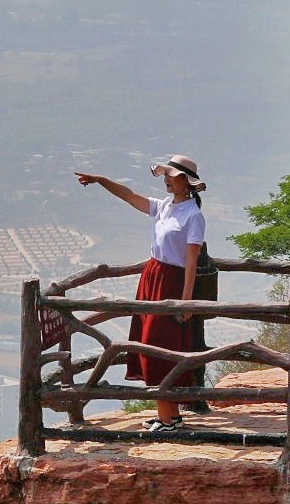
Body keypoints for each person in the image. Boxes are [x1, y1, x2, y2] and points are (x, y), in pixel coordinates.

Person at [74, 154, 216, 431]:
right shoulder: (164, 207)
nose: (167, 179)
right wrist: (101, 180)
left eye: (172, 176)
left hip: (171, 283)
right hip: (152, 278)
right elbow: (129, 196)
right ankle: (170, 415)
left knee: (160, 345)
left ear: (187, 182)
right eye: (166, 174)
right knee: (153, 342)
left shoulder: (193, 216)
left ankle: (166, 419)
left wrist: (185, 301)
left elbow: (190, 262)